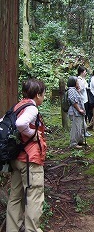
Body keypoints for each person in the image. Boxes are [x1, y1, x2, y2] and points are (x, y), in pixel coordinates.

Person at [6, 79, 47, 232]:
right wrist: (33, 134)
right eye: (43, 94)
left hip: (16, 159)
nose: (44, 97)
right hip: (30, 160)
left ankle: (12, 229)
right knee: (34, 198)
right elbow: (21, 124)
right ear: (37, 95)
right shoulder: (32, 108)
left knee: (15, 197)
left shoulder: (18, 106)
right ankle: (32, 230)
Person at [67, 76, 86, 149]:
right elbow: (73, 100)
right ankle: (73, 144)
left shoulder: (74, 90)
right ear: (74, 83)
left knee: (82, 126)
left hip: (78, 112)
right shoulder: (71, 90)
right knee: (76, 128)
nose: (78, 83)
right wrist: (79, 109)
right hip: (75, 112)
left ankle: (80, 141)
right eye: (77, 82)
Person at [77, 66, 92, 137]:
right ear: (82, 72)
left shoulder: (83, 79)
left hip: (85, 99)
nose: (86, 73)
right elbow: (79, 89)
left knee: (85, 116)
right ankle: (83, 132)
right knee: (83, 116)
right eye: (85, 71)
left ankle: (85, 130)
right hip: (82, 100)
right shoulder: (79, 80)